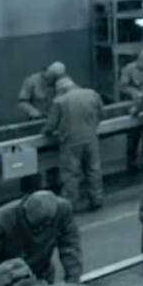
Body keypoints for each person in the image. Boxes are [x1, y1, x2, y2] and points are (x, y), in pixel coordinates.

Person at [0, 190, 83, 286]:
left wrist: (73, 281)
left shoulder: (63, 210)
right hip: (11, 281)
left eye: (43, 226)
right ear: (24, 211)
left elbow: (70, 247)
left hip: (43, 272)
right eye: (34, 227)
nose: (39, 230)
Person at [42, 76, 104, 210]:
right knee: (93, 169)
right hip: (91, 138)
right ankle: (97, 199)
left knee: (71, 173)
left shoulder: (60, 101)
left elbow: (51, 124)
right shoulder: (92, 94)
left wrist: (45, 131)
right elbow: (102, 114)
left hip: (71, 141)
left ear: (61, 89)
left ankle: (69, 203)